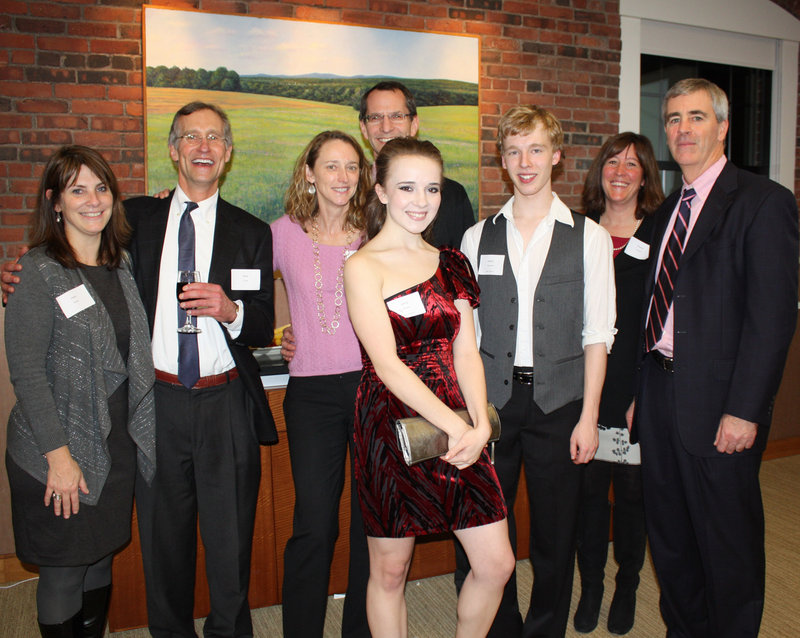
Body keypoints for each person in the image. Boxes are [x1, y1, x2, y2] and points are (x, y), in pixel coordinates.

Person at [4, 102, 278, 636]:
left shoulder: (252, 231)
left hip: (226, 405)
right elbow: (70, 258)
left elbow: (263, 324)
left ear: (228, 153)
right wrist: (17, 269)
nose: (204, 147)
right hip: (156, 405)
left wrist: (232, 310)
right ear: (173, 149)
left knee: (231, 540)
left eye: (215, 138)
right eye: (191, 137)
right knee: (162, 540)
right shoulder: (133, 220)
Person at [627, 78, 798, 638]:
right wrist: (637, 396)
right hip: (658, 394)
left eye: (697, 117)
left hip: (721, 404)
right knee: (671, 540)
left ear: (723, 127)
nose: (683, 130)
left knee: (727, 546)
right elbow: (650, 305)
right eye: (673, 118)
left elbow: (771, 320)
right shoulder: (665, 211)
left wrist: (745, 410)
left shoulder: (763, 202)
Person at [344, 137, 515, 637]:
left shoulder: (452, 263)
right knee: (391, 569)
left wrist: (480, 424)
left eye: (432, 188)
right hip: (391, 423)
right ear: (380, 191)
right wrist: (456, 426)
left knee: (496, 564)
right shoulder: (362, 267)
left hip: (462, 422)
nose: (421, 200)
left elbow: (466, 351)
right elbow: (388, 364)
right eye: (407, 187)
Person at [459, 105, 616, 638]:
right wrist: (469, 411)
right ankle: (496, 628)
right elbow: (468, 336)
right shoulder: (477, 238)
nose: (525, 162)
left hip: (560, 404)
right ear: (502, 161)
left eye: (535, 149)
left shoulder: (588, 237)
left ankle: (544, 628)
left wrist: (589, 416)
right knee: (485, 527)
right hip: (492, 407)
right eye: (513, 151)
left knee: (555, 532)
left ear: (557, 156)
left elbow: (598, 333)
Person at [4, 145, 156, 638]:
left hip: (113, 445)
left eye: (101, 188)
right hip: (57, 449)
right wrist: (59, 456)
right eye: (77, 190)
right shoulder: (39, 270)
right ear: (55, 202)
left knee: (99, 560)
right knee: (65, 569)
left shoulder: (122, 266)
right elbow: (26, 371)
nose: (93, 200)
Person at [273, 130, 373, 638]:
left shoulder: (375, 232)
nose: (343, 177)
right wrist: (280, 333)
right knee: (315, 523)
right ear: (309, 173)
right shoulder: (282, 232)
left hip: (369, 386)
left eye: (352, 167)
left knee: (368, 524)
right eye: (331, 166)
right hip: (310, 393)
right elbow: (234, 277)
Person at [572, 133, 663, 635]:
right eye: (612, 162)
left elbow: (666, 324)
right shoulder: (578, 231)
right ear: (599, 171)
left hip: (632, 392)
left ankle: (626, 585)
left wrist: (645, 398)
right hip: (586, 392)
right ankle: (590, 589)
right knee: (587, 499)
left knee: (630, 502)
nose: (621, 172)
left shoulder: (659, 234)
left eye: (633, 164)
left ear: (645, 175)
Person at [358, 80, 475, 248]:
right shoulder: (350, 193)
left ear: (414, 124)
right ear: (363, 128)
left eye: (396, 116)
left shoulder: (453, 196)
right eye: (375, 117)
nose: (386, 127)